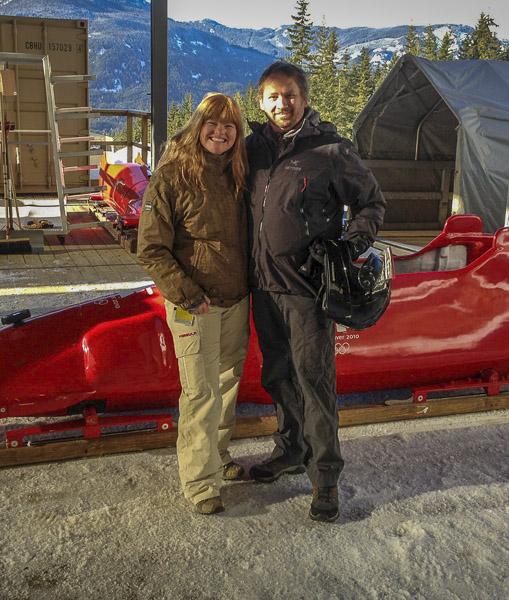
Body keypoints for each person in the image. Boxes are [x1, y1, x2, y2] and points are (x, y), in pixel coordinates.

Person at [245, 61, 386, 522]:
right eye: (273, 96)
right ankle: (289, 451)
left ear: (304, 98)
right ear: (260, 100)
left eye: (290, 95)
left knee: (314, 381)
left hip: (307, 290)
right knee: (278, 376)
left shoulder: (329, 150)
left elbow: (371, 202)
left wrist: (351, 245)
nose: (282, 104)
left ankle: (325, 478)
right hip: (263, 287)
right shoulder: (252, 149)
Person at [136, 93, 250, 516]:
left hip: (235, 298)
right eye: (212, 124)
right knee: (200, 392)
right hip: (194, 303)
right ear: (197, 125)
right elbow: (150, 248)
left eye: (229, 126)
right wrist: (187, 293)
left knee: (226, 384)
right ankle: (200, 483)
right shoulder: (171, 176)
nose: (220, 133)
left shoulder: (238, 173)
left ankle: (218, 458)